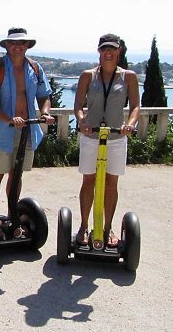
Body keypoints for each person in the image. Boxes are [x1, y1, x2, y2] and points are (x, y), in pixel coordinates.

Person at [0, 27, 54, 239]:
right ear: (7, 45)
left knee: (17, 173)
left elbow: (44, 95)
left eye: (22, 43)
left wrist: (45, 112)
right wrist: (7, 119)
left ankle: (13, 217)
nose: (18, 46)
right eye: (13, 43)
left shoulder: (35, 68)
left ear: (28, 45)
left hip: (27, 130)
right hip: (1, 131)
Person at [74, 33, 140, 247]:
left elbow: (135, 107)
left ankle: (107, 227)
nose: (108, 52)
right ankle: (84, 226)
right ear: (99, 51)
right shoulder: (87, 76)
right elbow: (77, 106)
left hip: (116, 137)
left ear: (119, 51)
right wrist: (82, 121)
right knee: (88, 181)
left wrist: (130, 124)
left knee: (111, 183)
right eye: (104, 49)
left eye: (112, 48)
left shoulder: (128, 77)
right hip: (91, 136)